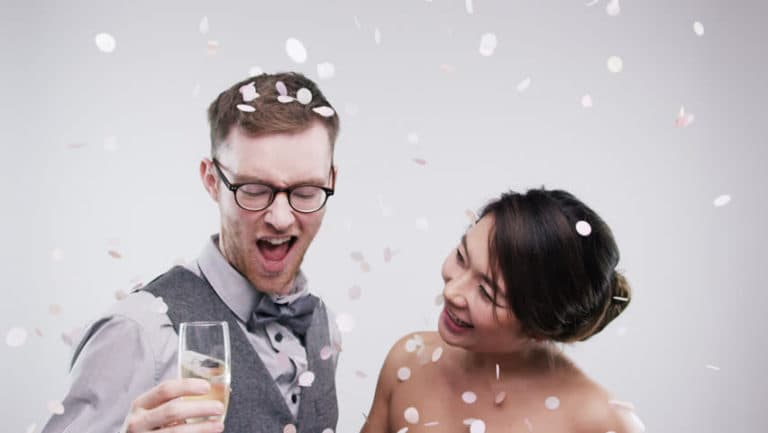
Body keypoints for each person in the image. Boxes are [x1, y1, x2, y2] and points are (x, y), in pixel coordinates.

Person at [41, 72, 342, 433]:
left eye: (306, 191)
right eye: (254, 189)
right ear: (212, 181)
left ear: (330, 182)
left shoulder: (323, 328)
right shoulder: (141, 332)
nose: (280, 218)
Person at [362, 188, 644, 433]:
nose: (451, 292)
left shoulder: (600, 422)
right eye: (461, 257)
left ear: (537, 326)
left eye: (486, 292)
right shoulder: (408, 360)